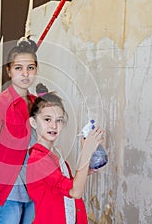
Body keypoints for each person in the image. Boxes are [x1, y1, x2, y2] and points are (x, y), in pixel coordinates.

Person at [26, 83, 105, 224]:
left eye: (59, 120)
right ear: (33, 122)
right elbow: (75, 192)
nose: (54, 126)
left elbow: (62, 186)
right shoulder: (38, 159)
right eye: (47, 119)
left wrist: (84, 170)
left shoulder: (56, 152)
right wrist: (85, 154)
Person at [0, 37, 38, 224]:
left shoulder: (39, 105)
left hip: (35, 191)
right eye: (18, 68)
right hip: (9, 193)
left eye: (30, 67)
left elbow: (45, 150)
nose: (25, 74)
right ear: (9, 71)